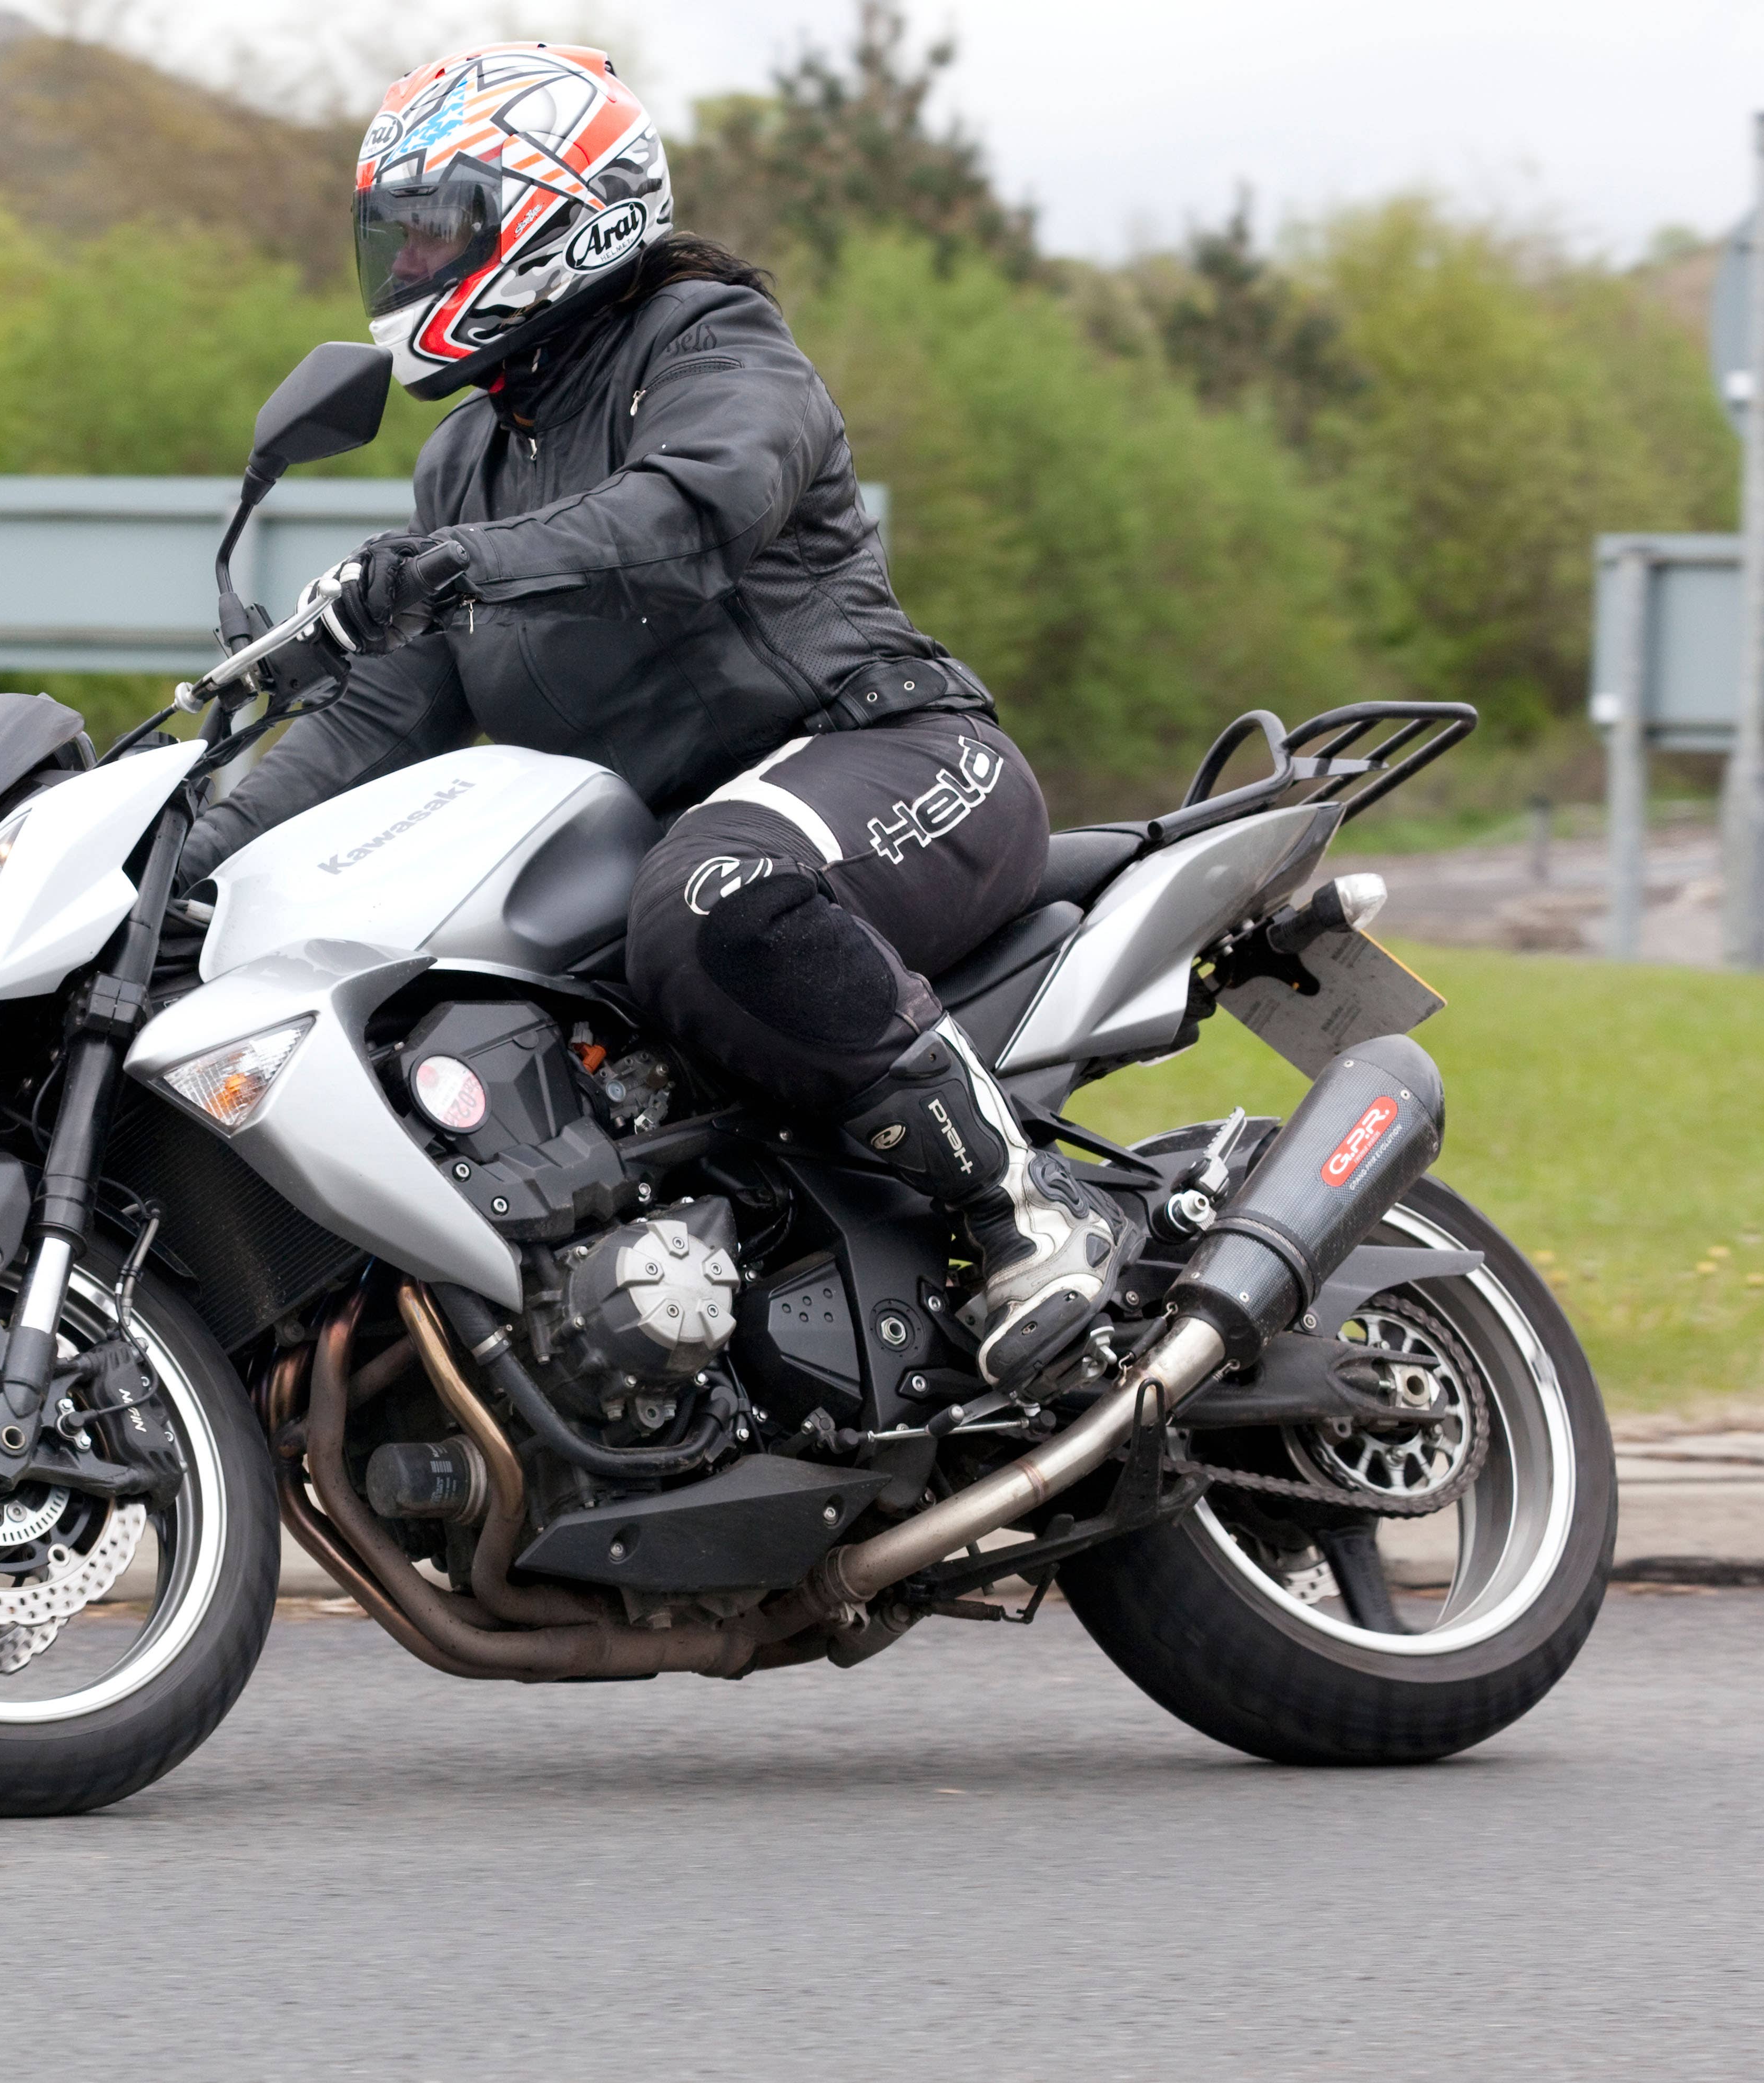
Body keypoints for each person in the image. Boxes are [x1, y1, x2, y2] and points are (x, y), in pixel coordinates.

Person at [180, 41, 1138, 1387]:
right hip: (678, 847)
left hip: (895, 759)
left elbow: (690, 514)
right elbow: (371, 721)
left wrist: (460, 567)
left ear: (561, 211)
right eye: (388, 239)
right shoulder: (469, 458)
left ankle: (1025, 1207)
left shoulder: (709, 344)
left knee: (715, 885)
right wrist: (182, 858)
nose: (405, 268)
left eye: (433, 229)